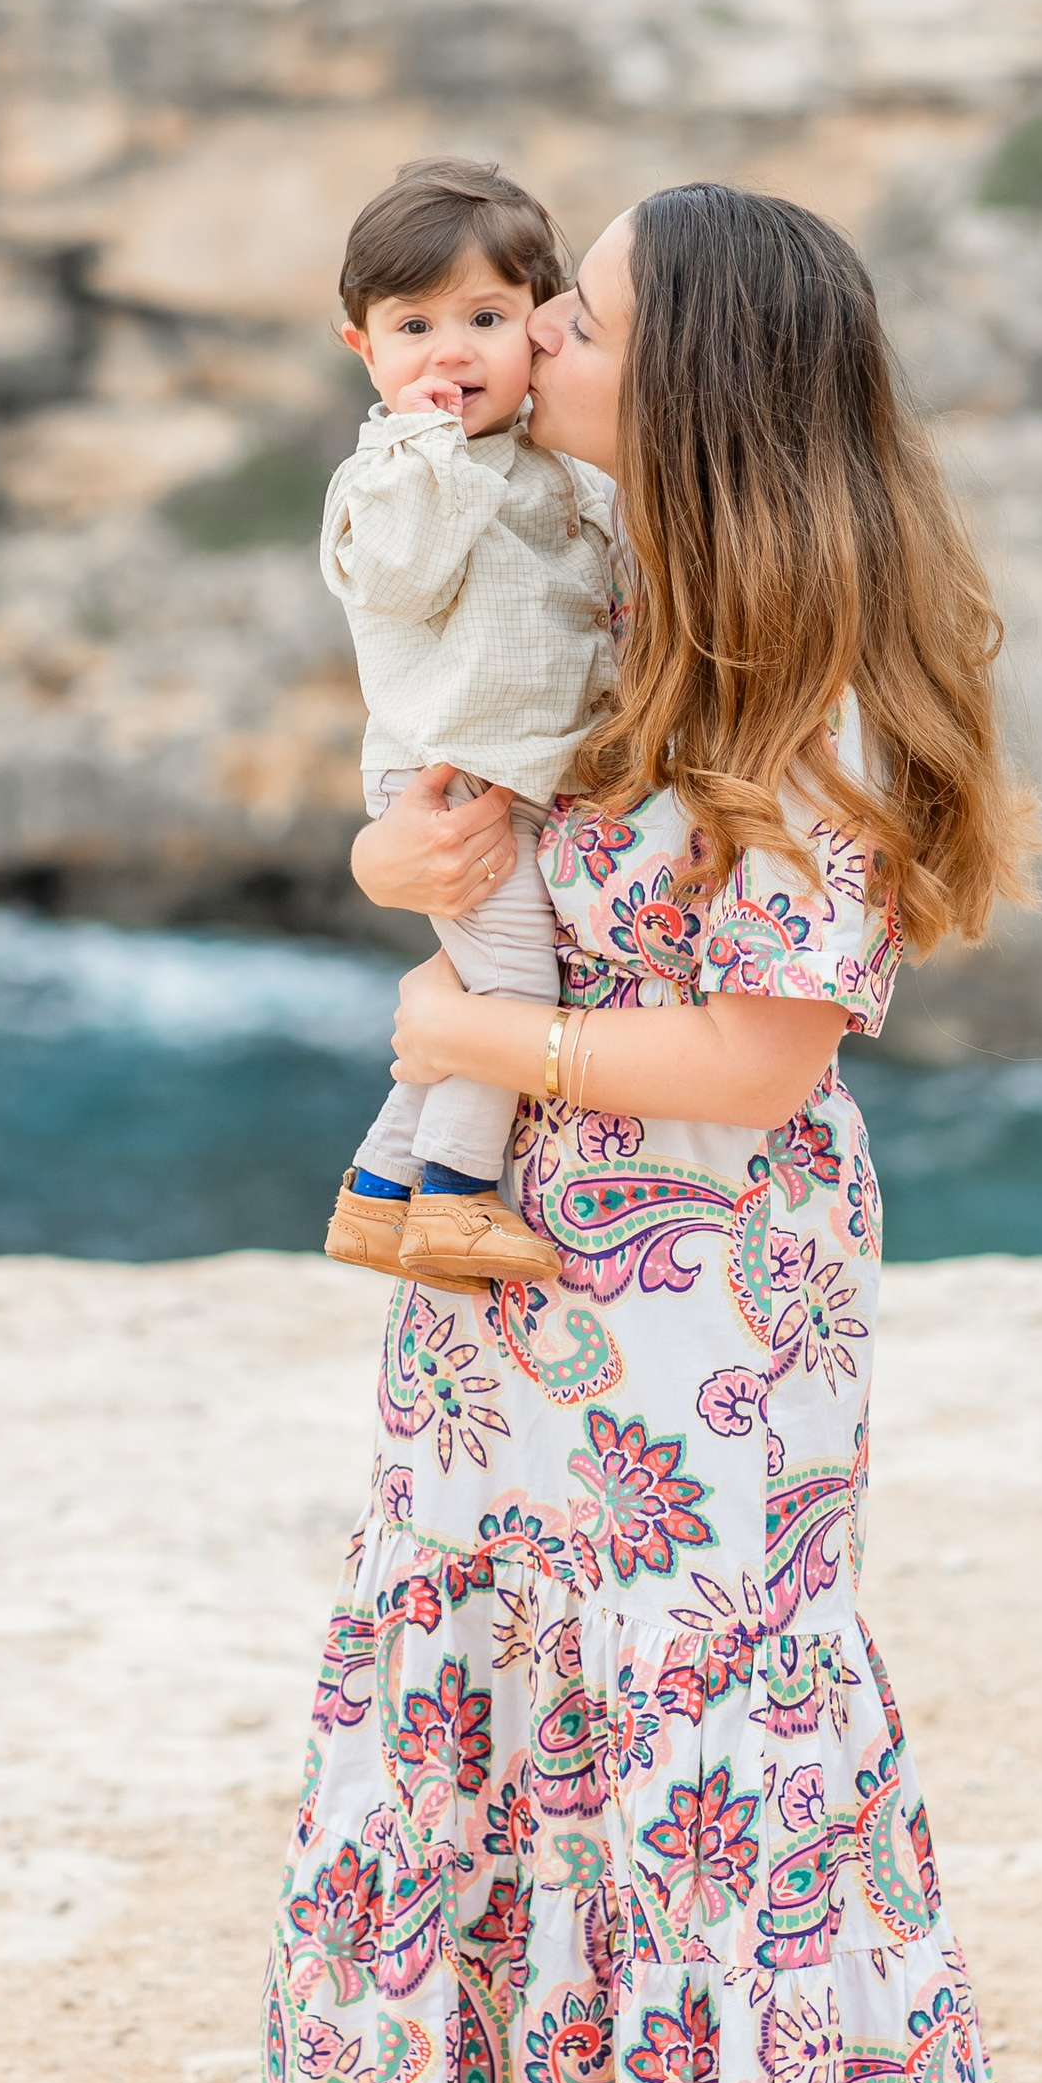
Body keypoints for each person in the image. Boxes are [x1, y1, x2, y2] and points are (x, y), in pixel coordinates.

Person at [257, 181, 1042, 2083]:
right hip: (513, 1296)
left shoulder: (808, 683)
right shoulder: (597, 593)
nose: (528, 337)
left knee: (737, 1778)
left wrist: (455, 1023)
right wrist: (414, 865)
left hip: (700, 1300)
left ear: (679, 377)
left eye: (574, 313)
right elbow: (465, 811)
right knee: (555, 1771)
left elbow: (740, 1059)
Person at [318, 157, 619, 1297]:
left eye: (485, 319)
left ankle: (376, 1192)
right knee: (513, 995)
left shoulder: (554, 467)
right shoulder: (389, 474)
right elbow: (396, 577)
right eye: (414, 326)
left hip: (520, 779)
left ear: (541, 326)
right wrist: (430, 446)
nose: (450, 353)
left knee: (492, 985)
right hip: (444, 784)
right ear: (363, 347)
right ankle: (452, 1197)